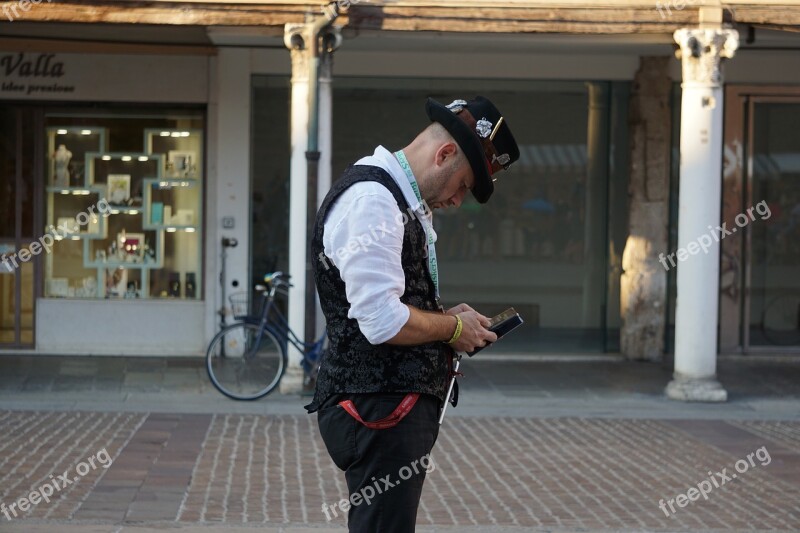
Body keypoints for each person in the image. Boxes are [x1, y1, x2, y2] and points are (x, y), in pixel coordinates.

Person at [306, 96, 520, 532]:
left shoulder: (391, 197)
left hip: (385, 407)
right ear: (444, 154)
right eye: (463, 184)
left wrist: (441, 316)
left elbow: (391, 303)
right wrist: (453, 327)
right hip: (378, 408)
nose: (459, 200)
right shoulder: (373, 201)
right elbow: (381, 320)